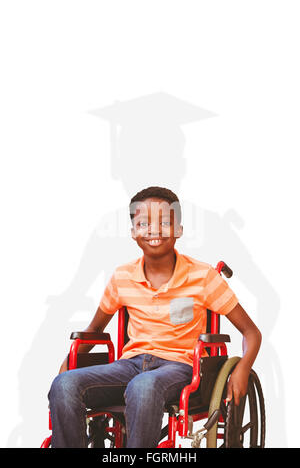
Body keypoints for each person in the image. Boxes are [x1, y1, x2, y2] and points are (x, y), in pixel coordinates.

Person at [48, 186, 262, 448]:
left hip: (181, 368)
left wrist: (242, 368)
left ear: (179, 229)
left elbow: (251, 332)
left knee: (144, 386)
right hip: (129, 365)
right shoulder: (122, 277)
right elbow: (94, 329)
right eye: (143, 223)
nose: (153, 229)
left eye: (163, 222)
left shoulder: (204, 277)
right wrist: (66, 365)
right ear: (133, 231)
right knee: (65, 384)